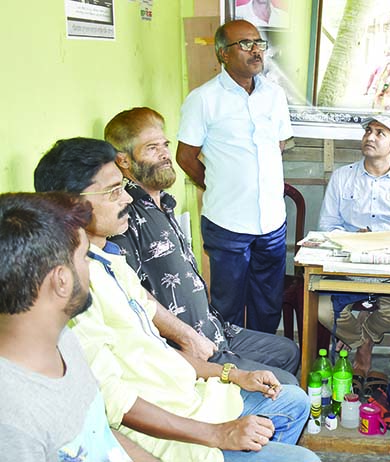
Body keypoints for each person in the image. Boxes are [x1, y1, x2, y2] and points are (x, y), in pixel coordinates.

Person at [34, 138, 317, 462]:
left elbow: (157, 351)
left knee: (294, 401)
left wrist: (233, 374)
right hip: (169, 435)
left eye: (123, 187)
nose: (127, 198)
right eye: (113, 192)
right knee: (304, 459)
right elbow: (114, 403)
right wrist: (219, 434)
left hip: (191, 399)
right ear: (71, 205)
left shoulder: (110, 259)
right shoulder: (76, 290)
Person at [105, 106, 300, 385]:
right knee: (286, 386)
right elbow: (132, 295)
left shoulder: (165, 204)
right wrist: (188, 340)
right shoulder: (126, 215)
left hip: (216, 331)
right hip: (190, 348)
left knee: (288, 351)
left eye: (164, 145)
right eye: (151, 148)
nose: (164, 155)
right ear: (123, 161)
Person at [0, 192, 156, 461]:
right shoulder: (13, 423)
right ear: (61, 281)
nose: (90, 267)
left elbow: (99, 433)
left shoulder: (62, 339)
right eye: (84, 257)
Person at [176, 19, 292, 333]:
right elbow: (185, 157)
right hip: (227, 223)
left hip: (271, 222)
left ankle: (266, 369)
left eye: (259, 43)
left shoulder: (274, 95)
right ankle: (232, 372)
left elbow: (278, 145)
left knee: (268, 306)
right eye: (245, 44)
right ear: (223, 54)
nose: (256, 50)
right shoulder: (203, 99)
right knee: (226, 307)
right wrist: (216, 182)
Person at [317, 115, 390, 379]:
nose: (370, 137)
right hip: (349, 266)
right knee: (322, 310)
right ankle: (363, 343)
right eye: (368, 131)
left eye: (380, 133)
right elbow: (326, 226)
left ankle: (361, 340)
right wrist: (354, 237)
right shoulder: (343, 177)